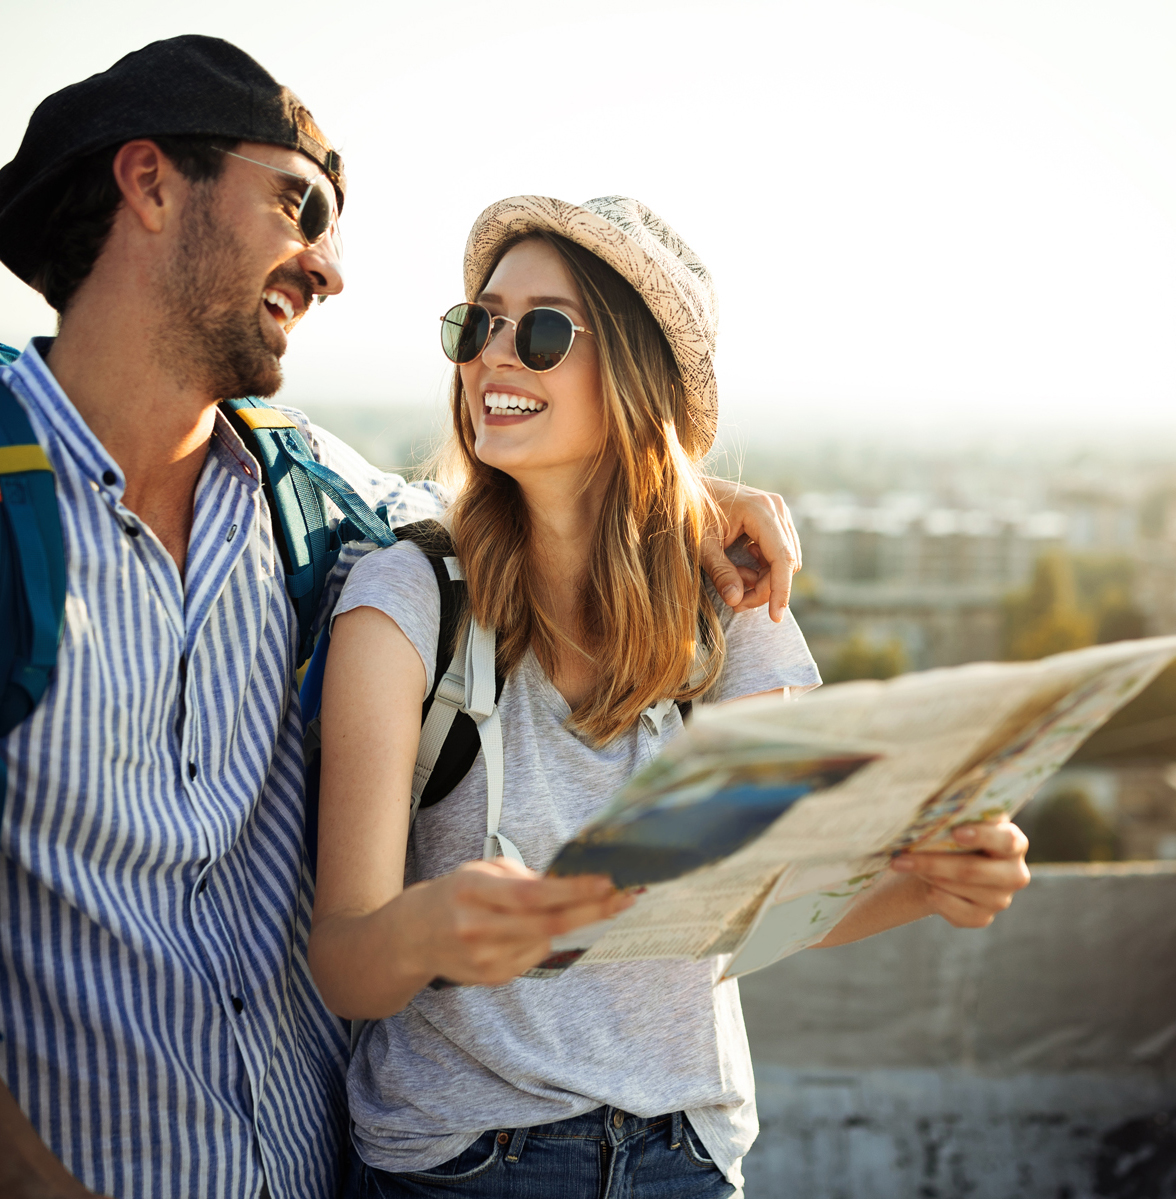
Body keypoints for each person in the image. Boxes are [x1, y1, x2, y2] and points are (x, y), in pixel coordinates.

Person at [0, 38, 805, 1199]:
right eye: (297, 204)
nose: (327, 268)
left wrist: (681, 487)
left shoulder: (311, 501)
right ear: (151, 183)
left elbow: (518, 506)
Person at [308, 195, 1031, 1199]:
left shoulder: (735, 601)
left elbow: (750, 899)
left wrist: (929, 878)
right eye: (477, 322)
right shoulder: (405, 596)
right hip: (464, 1166)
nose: (492, 355)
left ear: (637, 375)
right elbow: (343, 956)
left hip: (686, 1157)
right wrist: (430, 928)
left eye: (544, 329)